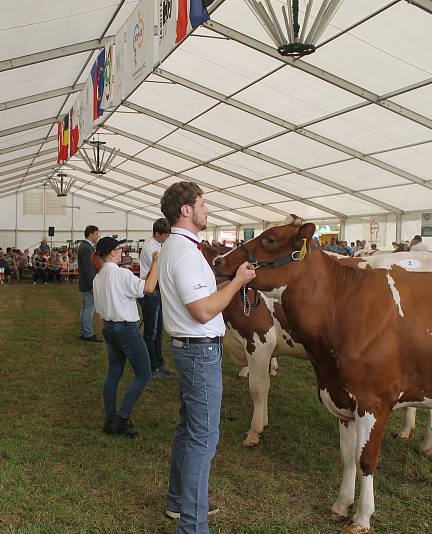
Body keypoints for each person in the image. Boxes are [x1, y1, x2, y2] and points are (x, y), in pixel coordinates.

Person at [159, 181, 256, 532]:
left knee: (189, 430)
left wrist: (228, 284)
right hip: (199, 352)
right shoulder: (184, 252)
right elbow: (201, 311)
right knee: (203, 439)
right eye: (202, 203)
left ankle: (178, 503)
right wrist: (237, 283)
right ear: (186, 209)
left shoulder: (178, 247)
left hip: (190, 349)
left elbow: (200, 299)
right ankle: (192, 526)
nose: (207, 209)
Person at [94, 236, 160, 438]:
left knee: (114, 374)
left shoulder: (98, 278)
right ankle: (121, 418)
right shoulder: (121, 274)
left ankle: (110, 417)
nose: (122, 251)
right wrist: (157, 262)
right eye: (120, 248)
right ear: (113, 252)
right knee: (144, 373)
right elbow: (148, 288)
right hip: (126, 329)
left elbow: (99, 312)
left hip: (109, 328)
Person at [140, 218, 173, 378]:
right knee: (151, 332)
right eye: (165, 236)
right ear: (157, 234)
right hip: (151, 292)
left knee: (158, 331)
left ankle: (159, 363)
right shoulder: (150, 248)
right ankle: (150, 366)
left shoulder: (159, 244)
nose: (167, 238)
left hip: (157, 292)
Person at [78, 225, 100, 342]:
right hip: (88, 284)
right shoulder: (86, 248)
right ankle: (87, 333)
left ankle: (84, 331)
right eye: (96, 234)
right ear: (90, 234)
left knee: (85, 308)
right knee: (89, 309)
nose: (98, 236)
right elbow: (88, 268)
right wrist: (92, 285)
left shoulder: (86, 246)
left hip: (86, 283)